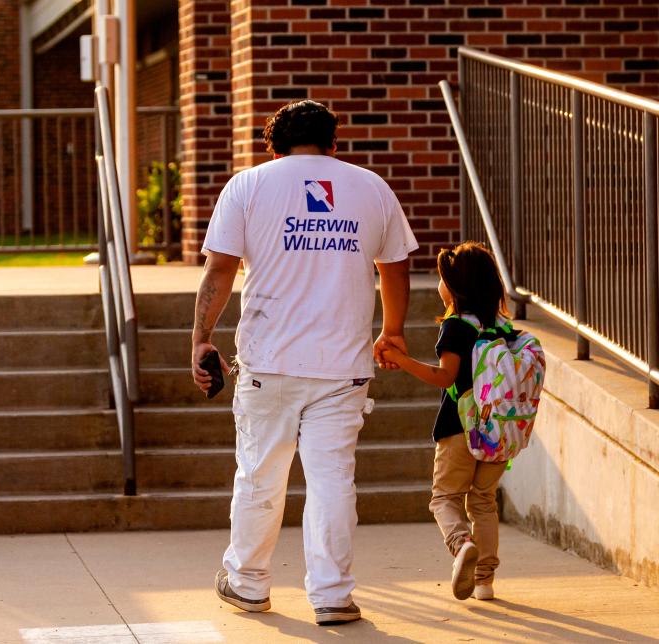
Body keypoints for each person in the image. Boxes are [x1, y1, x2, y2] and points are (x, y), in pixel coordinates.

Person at [191, 100, 418, 625]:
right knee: (333, 479)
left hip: (270, 361)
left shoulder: (247, 186)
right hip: (343, 365)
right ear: (333, 143)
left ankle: (247, 583)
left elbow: (220, 271)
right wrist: (393, 332)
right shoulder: (370, 187)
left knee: (260, 476)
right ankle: (333, 595)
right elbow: (397, 266)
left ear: (272, 145)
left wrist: (202, 338)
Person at [379, 241, 510, 602]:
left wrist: (401, 360)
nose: (438, 284)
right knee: (483, 500)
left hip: (460, 429)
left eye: (442, 279)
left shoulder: (457, 326)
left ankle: (461, 543)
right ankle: (484, 580)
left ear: (456, 288)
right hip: (498, 431)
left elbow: (445, 377)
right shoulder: (501, 326)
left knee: (444, 499)